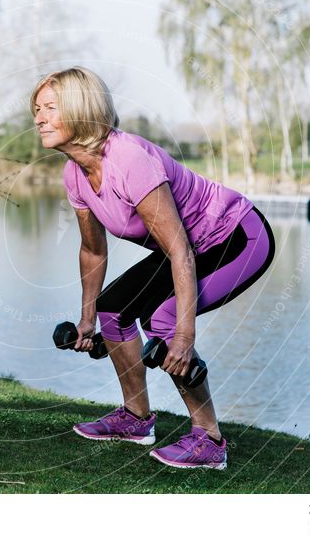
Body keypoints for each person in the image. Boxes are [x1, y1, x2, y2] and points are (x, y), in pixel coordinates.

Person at [31, 66, 275, 470]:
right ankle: (135, 418)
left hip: (236, 237)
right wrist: (87, 319)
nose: (38, 117)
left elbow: (180, 251)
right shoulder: (75, 173)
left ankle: (209, 439)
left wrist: (183, 337)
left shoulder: (128, 159)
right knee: (113, 311)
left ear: (80, 109)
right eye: (36, 108)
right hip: (187, 246)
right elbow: (93, 251)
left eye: (50, 107)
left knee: (163, 318)